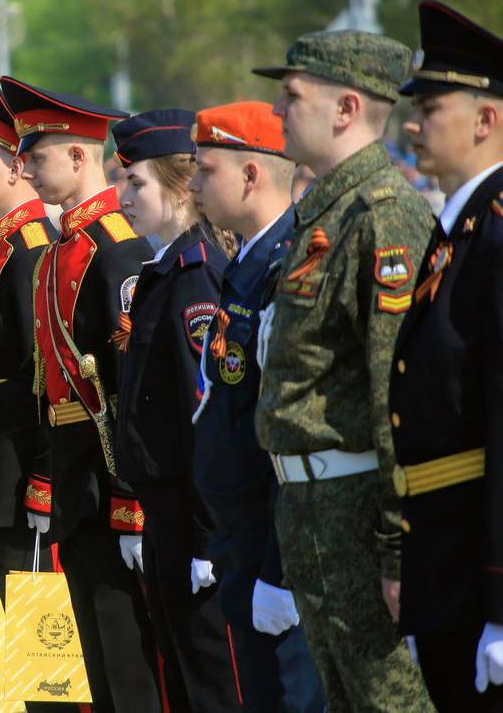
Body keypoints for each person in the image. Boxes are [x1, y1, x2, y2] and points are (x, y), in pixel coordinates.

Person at [0, 77, 162, 712]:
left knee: (127, 668)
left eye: (37, 157)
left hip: (106, 485)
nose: (27, 169)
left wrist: (128, 505)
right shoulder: (63, 251)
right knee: (92, 664)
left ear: (76, 156)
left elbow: (129, 392)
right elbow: (41, 383)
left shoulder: (114, 252)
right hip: (76, 486)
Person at [251, 31, 435, 711]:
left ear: (346, 108)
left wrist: (396, 548)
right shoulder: (324, 214)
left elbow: (397, 392)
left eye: (292, 95)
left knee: (390, 702)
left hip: (356, 511)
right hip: (310, 508)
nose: (278, 110)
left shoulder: (383, 216)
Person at [187, 101, 326, 712]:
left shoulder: (287, 262)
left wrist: (280, 570)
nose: (193, 185)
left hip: (270, 541)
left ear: (250, 175)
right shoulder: (249, 259)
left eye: (205, 170)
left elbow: (297, 432)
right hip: (238, 533)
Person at [390, 1, 503, 712]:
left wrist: (501, 600)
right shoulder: (460, 227)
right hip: (444, 562)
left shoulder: (494, 231)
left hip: (474, 571)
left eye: (430, 109)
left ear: (486, 120)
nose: (412, 124)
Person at [109, 109, 242, 712]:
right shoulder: (168, 268)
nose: (124, 197)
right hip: (166, 512)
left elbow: (205, 417)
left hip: (193, 519)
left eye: (136, 183)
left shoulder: (195, 276)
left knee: (212, 684)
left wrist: (205, 539)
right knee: (183, 682)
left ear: (181, 185)